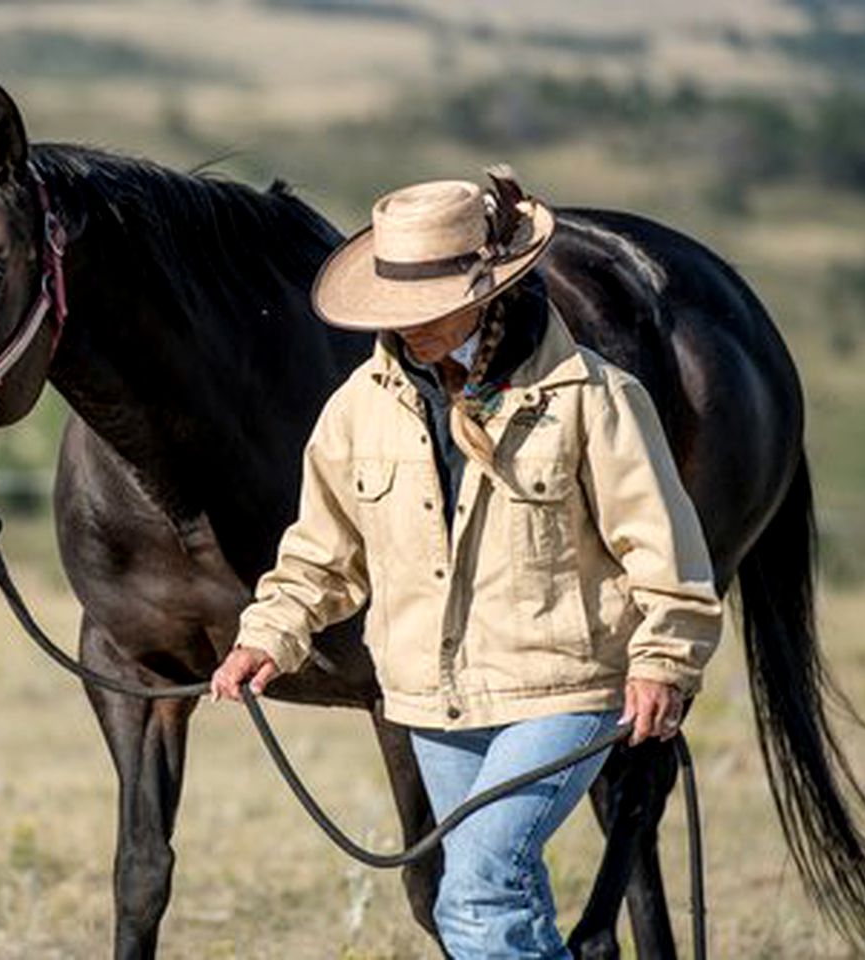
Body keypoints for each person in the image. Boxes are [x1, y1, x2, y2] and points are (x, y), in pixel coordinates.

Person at [210, 169, 723, 958]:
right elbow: (321, 553)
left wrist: (662, 660)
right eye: (395, 307)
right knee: (500, 893)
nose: (406, 325)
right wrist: (266, 637)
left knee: (477, 891)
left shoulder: (593, 397)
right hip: (430, 701)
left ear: (486, 295)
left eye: (427, 308)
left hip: (562, 690)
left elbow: (661, 547)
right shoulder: (356, 410)